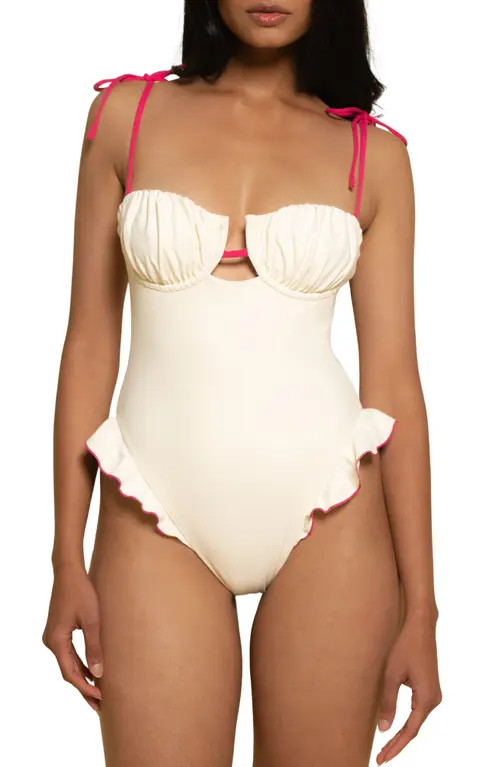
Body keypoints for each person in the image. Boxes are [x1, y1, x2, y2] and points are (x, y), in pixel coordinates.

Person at [42, 1, 442, 765]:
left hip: (332, 518)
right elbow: (88, 343)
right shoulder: (125, 117)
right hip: (152, 513)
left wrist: (422, 607)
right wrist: (65, 555)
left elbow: (395, 387)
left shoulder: (375, 158)